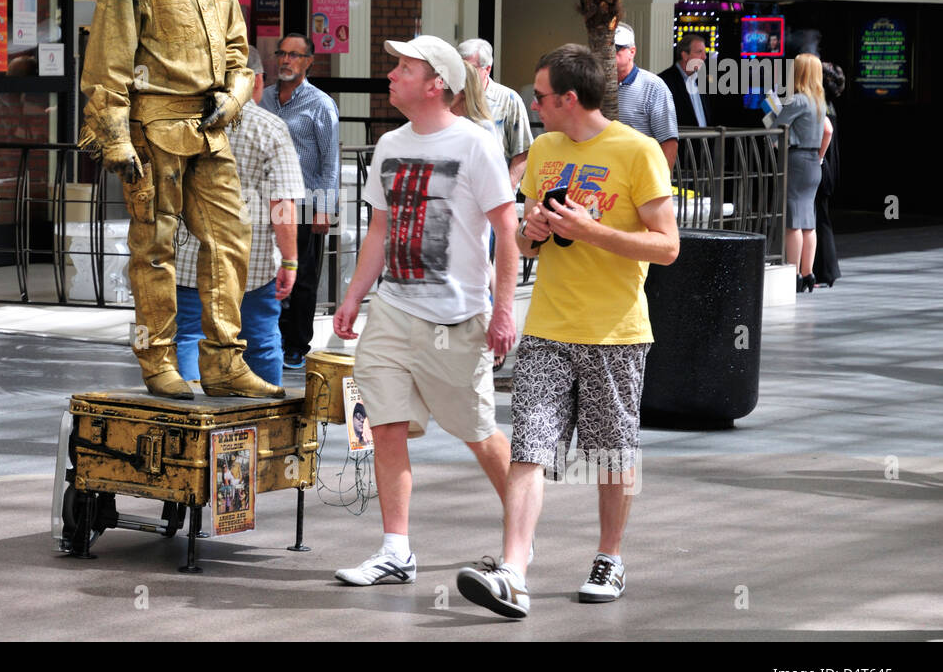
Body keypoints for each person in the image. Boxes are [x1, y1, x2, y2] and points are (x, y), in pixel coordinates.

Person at [457, 43, 678, 619]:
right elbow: (530, 240)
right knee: (529, 449)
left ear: (569, 99)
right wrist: (532, 229)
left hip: (615, 333)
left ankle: (609, 557)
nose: (534, 104)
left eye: (541, 95)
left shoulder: (638, 152)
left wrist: (592, 229)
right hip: (547, 327)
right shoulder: (546, 150)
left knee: (610, 455)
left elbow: (668, 247)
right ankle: (513, 570)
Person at [79, 0, 280, 401]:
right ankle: (158, 359)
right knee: (154, 249)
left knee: (229, 241)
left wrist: (238, 95)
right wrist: (116, 140)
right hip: (153, 130)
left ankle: (223, 361)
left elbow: (239, 46)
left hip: (211, 127)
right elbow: (107, 66)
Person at [331, 35, 518, 587]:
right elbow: (380, 231)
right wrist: (353, 296)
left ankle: (521, 533)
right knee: (384, 426)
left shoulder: (476, 145)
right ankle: (395, 550)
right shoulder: (389, 145)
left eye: (404, 68)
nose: (391, 74)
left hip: (457, 317)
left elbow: (507, 231)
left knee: (479, 432)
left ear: (438, 83)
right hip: (393, 309)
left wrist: (502, 311)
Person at [175, 101, 305, 385]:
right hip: (251, 266)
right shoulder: (269, 128)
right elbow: (282, 203)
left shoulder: (183, 116)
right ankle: (267, 422)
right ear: (256, 80)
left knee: (191, 337)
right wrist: (289, 260)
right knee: (259, 343)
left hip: (190, 260)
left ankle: (194, 420)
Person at [264, 33, 340, 371]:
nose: (286, 60)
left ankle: (296, 345)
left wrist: (325, 206)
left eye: (295, 55)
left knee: (304, 275)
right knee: (266, 271)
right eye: (282, 53)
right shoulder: (262, 98)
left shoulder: (320, 104)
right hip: (265, 202)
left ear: (309, 61)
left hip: (306, 203)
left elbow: (330, 160)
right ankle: (270, 338)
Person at [765, 52, 833, 293]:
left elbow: (775, 129)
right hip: (813, 161)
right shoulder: (819, 101)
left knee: (793, 221)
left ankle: (792, 273)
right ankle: (808, 273)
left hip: (795, 160)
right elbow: (828, 130)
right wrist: (821, 156)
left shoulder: (797, 100)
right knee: (808, 221)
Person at [458, 38, 533, 192]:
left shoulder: (508, 99)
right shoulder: (450, 97)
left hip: (493, 193)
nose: (463, 74)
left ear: (487, 69)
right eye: (459, 68)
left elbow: (523, 151)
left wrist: (508, 187)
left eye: (470, 69)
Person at [613, 23, 678, 170]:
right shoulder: (594, 84)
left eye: (617, 48)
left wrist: (663, 180)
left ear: (632, 52)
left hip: (639, 172)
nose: (610, 53)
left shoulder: (653, 86)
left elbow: (668, 139)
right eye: (607, 48)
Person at [813, 62, 844, 287]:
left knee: (816, 218)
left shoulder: (819, 104)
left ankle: (824, 270)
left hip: (819, 163)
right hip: (829, 164)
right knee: (821, 216)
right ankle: (827, 270)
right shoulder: (830, 103)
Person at [659, 33, 712, 131]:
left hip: (705, 145)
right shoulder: (663, 82)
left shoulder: (703, 82)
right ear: (685, 55)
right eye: (699, 52)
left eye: (705, 52)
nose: (704, 57)